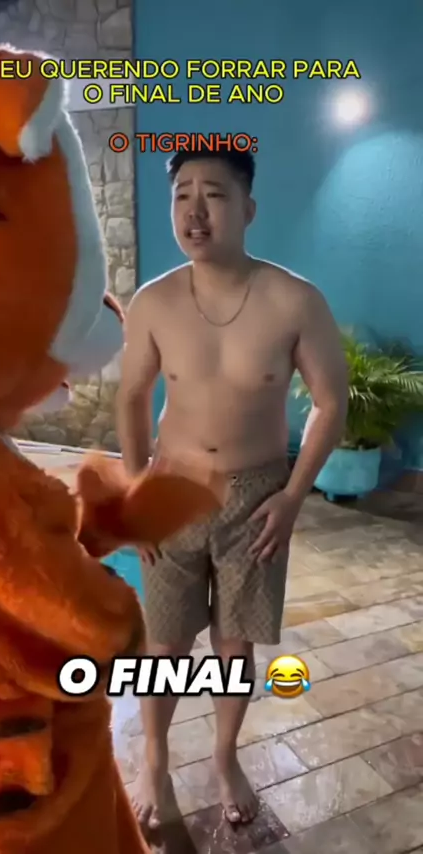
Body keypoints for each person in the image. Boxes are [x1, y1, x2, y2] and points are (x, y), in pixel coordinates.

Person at [117, 147, 348, 828]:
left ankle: (224, 757)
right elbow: (132, 396)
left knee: (234, 643)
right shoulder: (154, 302)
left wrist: (294, 495)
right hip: (174, 487)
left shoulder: (295, 300)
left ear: (247, 208)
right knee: (163, 643)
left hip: (258, 496)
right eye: (181, 194)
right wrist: (135, 491)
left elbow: (331, 403)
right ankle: (154, 759)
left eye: (213, 194)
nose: (194, 210)